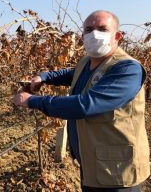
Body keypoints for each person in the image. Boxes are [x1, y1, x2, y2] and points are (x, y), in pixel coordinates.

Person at [13, 10, 150, 191]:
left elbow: (85, 105)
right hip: (93, 163)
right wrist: (43, 77)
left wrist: (33, 101)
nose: (94, 34)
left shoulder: (127, 69)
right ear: (83, 35)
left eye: (102, 29)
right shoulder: (88, 61)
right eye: (89, 29)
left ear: (117, 36)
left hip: (117, 172)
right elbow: (71, 73)